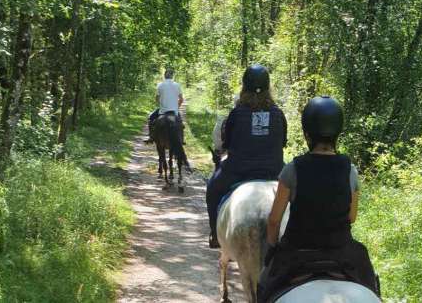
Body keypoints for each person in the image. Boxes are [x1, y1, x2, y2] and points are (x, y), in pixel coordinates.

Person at [257, 96, 379, 301]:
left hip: (297, 250)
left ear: (307, 134)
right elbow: (352, 217)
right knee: (371, 282)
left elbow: (274, 220)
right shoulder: (349, 170)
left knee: (263, 285)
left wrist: (272, 248)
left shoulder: (292, 169)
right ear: (337, 134)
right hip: (342, 250)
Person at [205, 64, 287, 248]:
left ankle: (215, 234)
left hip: (238, 170)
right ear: (268, 87)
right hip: (274, 170)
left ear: (244, 87)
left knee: (212, 188)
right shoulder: (278, 113)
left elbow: (227, 144)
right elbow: (282, 142)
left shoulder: (236, 113)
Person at [147, 69, 191, 171]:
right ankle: (181, 139)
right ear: (172, 76)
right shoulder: (177, 85)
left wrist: (161, 104)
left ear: (164, 76)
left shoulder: (160, 85)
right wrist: (177, 107)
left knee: (150, 118)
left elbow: (157, 99)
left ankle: (151, 137)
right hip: (174, 111)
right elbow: (181, 99)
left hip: (163, 111)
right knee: (180, 124)